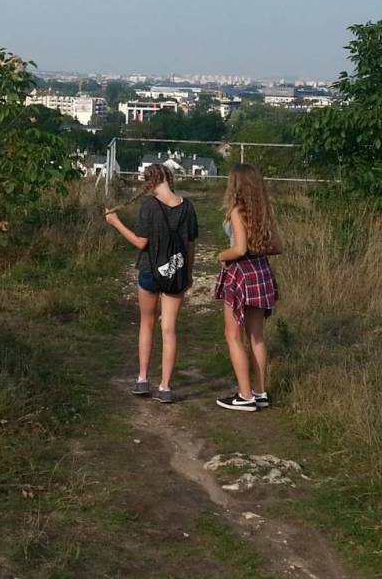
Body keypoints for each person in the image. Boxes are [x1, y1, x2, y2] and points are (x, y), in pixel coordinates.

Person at [103, 162, 198, 404]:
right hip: (176, 272)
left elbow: (140, 242)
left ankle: (143, 378)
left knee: (147, 323)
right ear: (169, 178)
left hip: (149, 271)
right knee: (169, 329)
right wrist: (188, 275)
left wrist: (116, 223)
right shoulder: (188, 207)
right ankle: (165, 387)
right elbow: (190, 245)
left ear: (150, 182)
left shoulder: (149, 205)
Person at [214, 163, 281, 412]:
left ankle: (245, 395)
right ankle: (260, 392)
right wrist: (258, 247)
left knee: (233, 335)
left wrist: (222, 255)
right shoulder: (263, 212)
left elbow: (239, 249)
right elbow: (277, 246)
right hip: (261, 272)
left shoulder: (236, 211)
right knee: (257, 337)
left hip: (241, 274)